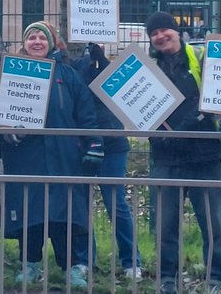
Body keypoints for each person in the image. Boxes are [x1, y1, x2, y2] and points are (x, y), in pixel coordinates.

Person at [0, 21, 102, 288]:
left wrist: (94, 143)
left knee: (64, 215)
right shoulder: (13, 73)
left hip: (64, 156)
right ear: (24, 43)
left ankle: (71, 268)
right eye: (31, 37)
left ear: (52, 43)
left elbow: (85, 113)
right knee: (29, 213)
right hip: (26, 157)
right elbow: (0, 112)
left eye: (41, 38)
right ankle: (29, 263)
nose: (36, 42)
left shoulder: (68, 75)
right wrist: (8, 134)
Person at [145, 11, 221, 294]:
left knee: (213, 225)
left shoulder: (201, 58)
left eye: (164, 30)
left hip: (205, 156)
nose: (160, 36)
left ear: (177, 31)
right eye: (154, 34)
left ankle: (216, 279)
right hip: (166, 158)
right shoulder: (148, 68)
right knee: (165, 226)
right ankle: (167, 279)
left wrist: (189, 123)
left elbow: (219, 95)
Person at [72, 42, 143, 280]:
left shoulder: (108, 65)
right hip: (82, 143)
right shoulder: (72, 65)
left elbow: (113, 87)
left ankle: (131, 261)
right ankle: (84, 259)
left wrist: (101, 60)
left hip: (112, 143)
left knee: (116, 203)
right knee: (81, 205)